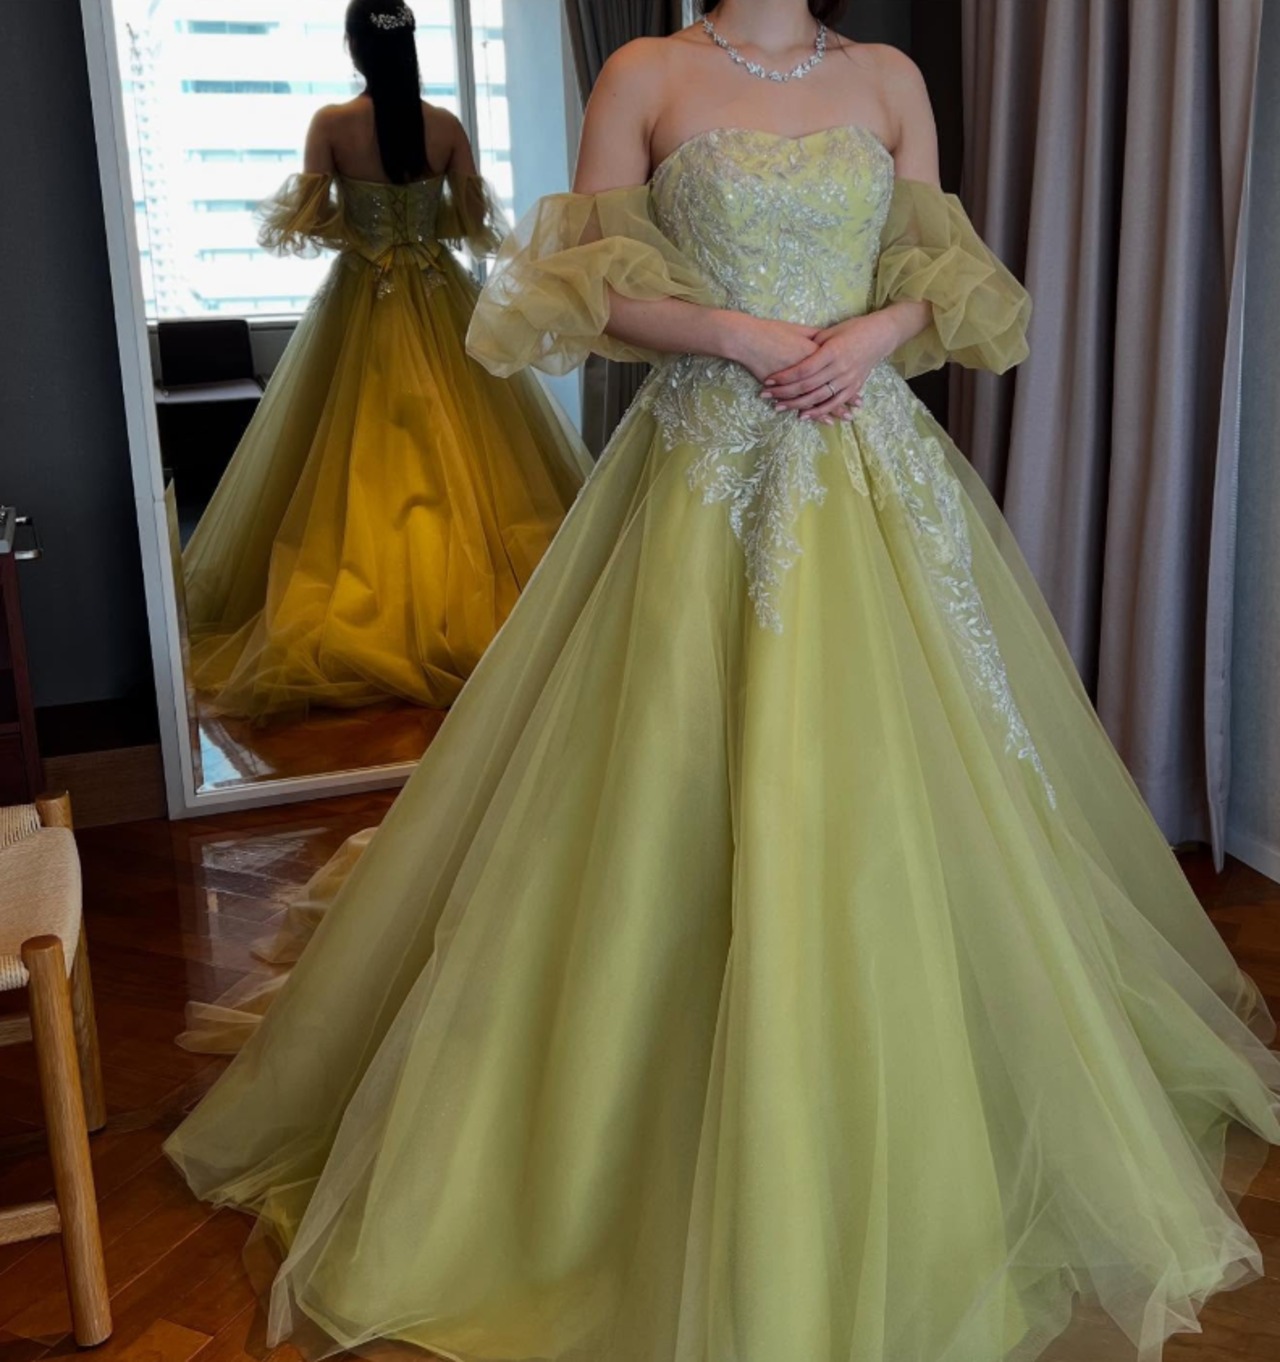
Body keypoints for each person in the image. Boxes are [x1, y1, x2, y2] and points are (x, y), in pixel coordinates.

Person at [165, 3, 1280, 1359]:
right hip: (706, 460)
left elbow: (939, 267)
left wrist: (873, 336)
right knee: (667, 783)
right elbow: (581, 282)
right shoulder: (644, 73)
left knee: (904, 791)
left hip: (868, 457)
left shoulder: (888, 77)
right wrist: (737, 335)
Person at [182, 0, 590, 719]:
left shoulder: (331, 125)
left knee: (355, 452)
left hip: (362, 295)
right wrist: (418, 222)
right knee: (474, 448)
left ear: (355, 48)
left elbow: (309, 222)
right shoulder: (446, 127)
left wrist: (364, 228)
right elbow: (472, 224)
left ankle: (369, 601)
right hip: (439, 293)